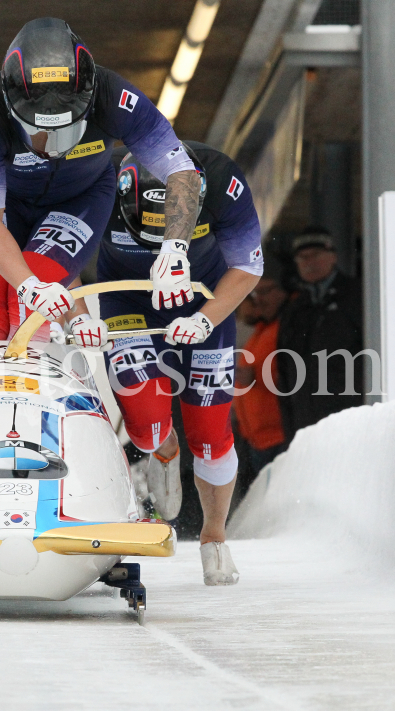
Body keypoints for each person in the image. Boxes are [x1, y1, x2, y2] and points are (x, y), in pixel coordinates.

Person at [0, 17, 201, 346]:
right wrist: (29, 286)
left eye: (67, 129)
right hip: (7, 206)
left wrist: (174, 249)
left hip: (81, 199)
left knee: (27, 313)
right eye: (39, 132)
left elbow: (181, 170)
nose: (54, 146)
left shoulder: (115, 97)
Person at [98, 142, 263, 586]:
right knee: (147, 418)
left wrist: (206, 320)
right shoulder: (98, 174)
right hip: (127, 301)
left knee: (210, 433)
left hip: (203, 300)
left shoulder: (224, 182)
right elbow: (62, 257)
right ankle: (161, 446)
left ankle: (214, 537)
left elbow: (248, 266)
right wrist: (77, 316)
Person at [276, 227, 363, 444]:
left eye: (315, 255)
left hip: (350, 420)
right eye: (302, 257)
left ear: (332, 256)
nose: (308, 262)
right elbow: (283, 371)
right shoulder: (294, 309)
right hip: (304, 424)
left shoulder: (357, 296)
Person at [233, 253, 289, 480]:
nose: (259, 300)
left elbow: (291, 374)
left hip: (276, 437)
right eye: (256, 294)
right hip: (256, 438)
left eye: (265, 292)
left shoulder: (282, 328)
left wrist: (254, 376)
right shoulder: (261, 331)